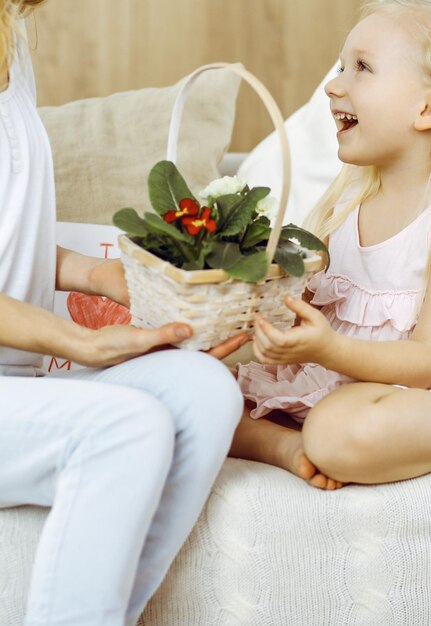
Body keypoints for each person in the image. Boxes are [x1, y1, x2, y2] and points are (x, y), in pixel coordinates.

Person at [0, 1, 248, 625]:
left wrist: (97, 275)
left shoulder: (12, 41)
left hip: (17, 384)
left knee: (205, 390)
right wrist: (77, 342)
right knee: (127, 427)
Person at [229, 0, 431, 492]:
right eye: (341, 66)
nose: (333, 84)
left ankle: (317, 440)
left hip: (401, 391)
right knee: (187, 385)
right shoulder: (341, 206)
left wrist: (331, 348)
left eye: (361, 67)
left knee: (338, 431)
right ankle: (285, 447)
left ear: (426, 107)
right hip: (329, 383)